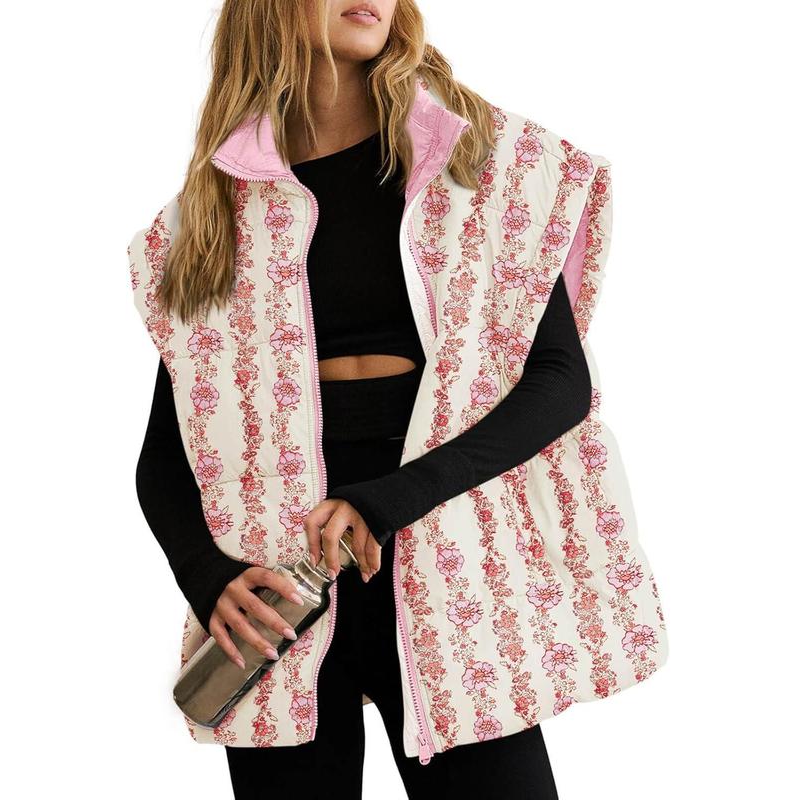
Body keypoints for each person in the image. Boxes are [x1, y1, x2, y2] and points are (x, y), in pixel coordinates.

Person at [130, 1, 668, 798]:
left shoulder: (479, 161)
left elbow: (560, 381)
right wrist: (207, 578)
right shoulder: (212, 214)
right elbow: (168, 450)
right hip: (282, 592)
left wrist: (390, 499)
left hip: (447, 563)